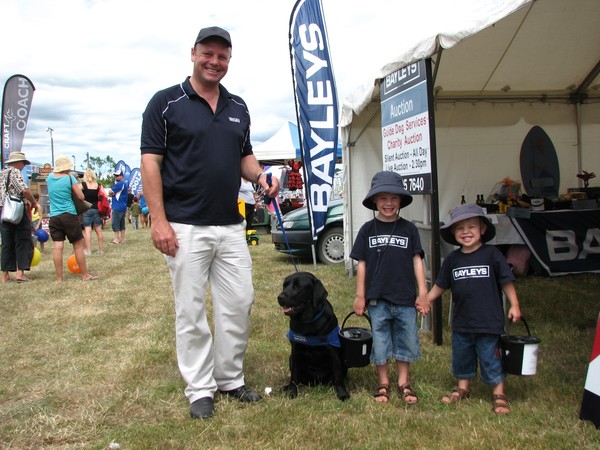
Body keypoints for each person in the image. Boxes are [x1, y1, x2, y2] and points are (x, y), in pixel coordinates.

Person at [140, 25, 279, 420]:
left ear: (229, 61)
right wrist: (159, 221)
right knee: (191, 310)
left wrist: (259, 177)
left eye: (222, 56)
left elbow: (245, 157)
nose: (215, 62)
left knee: (240, 302)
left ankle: (230, 379)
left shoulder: (239, 107)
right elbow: (151, 162)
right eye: (208, 54)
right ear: (193, 53)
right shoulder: (165, 103)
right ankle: (200, 389)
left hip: (230, 225)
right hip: (184, 226)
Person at [420, 203, 522, 414]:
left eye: (471, 227)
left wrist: (515, 304)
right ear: (453, 232)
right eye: (460, 228)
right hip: (462, 322)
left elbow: (506, 281)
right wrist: (427, 299)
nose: (466, 232)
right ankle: (462, 388)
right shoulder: (452, 260)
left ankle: (499, 393)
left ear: (482, 229)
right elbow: (441, 284)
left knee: (490, 357)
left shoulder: (492, 255)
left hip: (488, 322)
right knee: (462, 356)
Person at [350, 171, 428, 404]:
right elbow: (361, 264)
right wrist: (360, 295)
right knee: (380, 339)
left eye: (394, 198)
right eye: (383, 198)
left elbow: (417, 261)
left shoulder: (409, 230)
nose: (388, 203)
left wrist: (423, 293)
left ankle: (404, 381)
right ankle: (383, 382)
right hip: (377, 300)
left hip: (405, 298)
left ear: (401, 200)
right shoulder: (366, 230)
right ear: (374, 200)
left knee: (407, 339)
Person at [46, 156, 97, 282]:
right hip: (69, 214)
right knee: (78, 246)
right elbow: (81, 196)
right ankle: (85, 275)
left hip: (54, 216)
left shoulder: (49, 178)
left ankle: (59, 278)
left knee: (58, 246)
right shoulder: (70, 178)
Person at [0, 151, 40, 283]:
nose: (23, 165)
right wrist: (34, 203)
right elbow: (24, 190)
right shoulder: (16, 172)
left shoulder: (2, 173)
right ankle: (20, 273)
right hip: (16, 209)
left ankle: (5, 275)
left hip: (3, 210)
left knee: (7, 243)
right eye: (23, 162)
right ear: (17, 162)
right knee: (23, 240)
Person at [81, 169, 105, 255]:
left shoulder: (83, 185)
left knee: (88, 230)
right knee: (99, 230)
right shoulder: (98, 185)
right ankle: (101, 250)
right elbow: (104, 195)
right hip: (96, 209)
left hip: (86, 208)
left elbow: (78, 195)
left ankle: (88, 250)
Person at [108, 169, 128, 244]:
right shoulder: (125, 183)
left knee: (115, 222)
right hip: (123, 206)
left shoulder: (120, 184)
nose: (116, 177)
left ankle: (116, 239)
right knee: (122, 223)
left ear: (121, 176)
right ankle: (123, 238)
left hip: (117, 206)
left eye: (117, 175)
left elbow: (110, 192)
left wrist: (111, 194)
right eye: (115, 176)